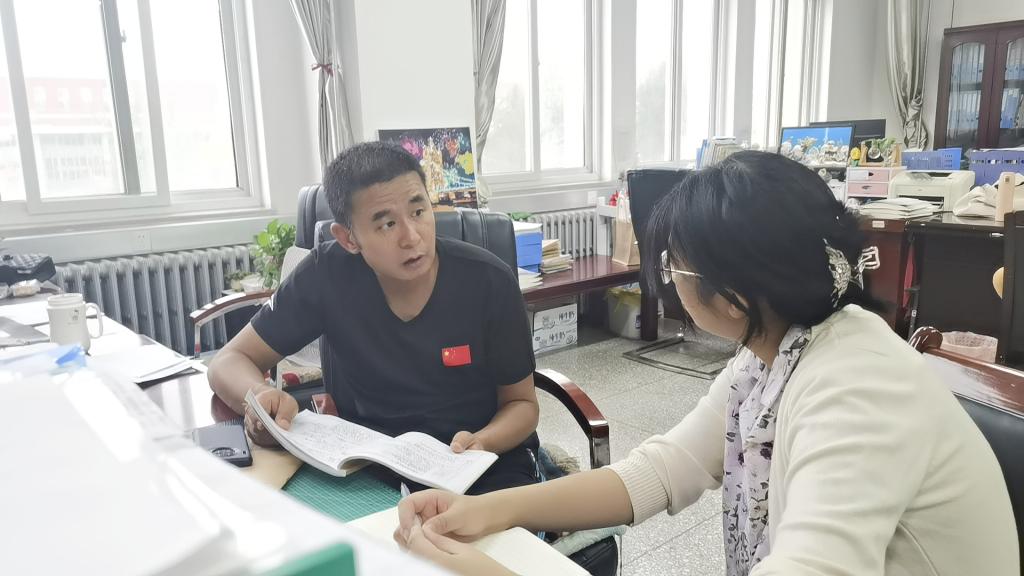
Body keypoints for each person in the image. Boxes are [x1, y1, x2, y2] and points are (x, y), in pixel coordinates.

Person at [394, 151, 1019, 575]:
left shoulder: (859, 390)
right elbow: (663, 470)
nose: (669, 278)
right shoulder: (773, 353)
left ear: (734, 288)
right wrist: (489, 510)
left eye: (674, 264)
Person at [208, 141, 541, 494]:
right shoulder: (326, 275)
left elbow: (521, 405)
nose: (412, 237)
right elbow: (228, 361)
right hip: (369, 471)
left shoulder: (488, 281)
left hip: (480, 468)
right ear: (348, 239)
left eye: (418, 211)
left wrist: (481, 442)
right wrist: (259, 395)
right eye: (387, 224)